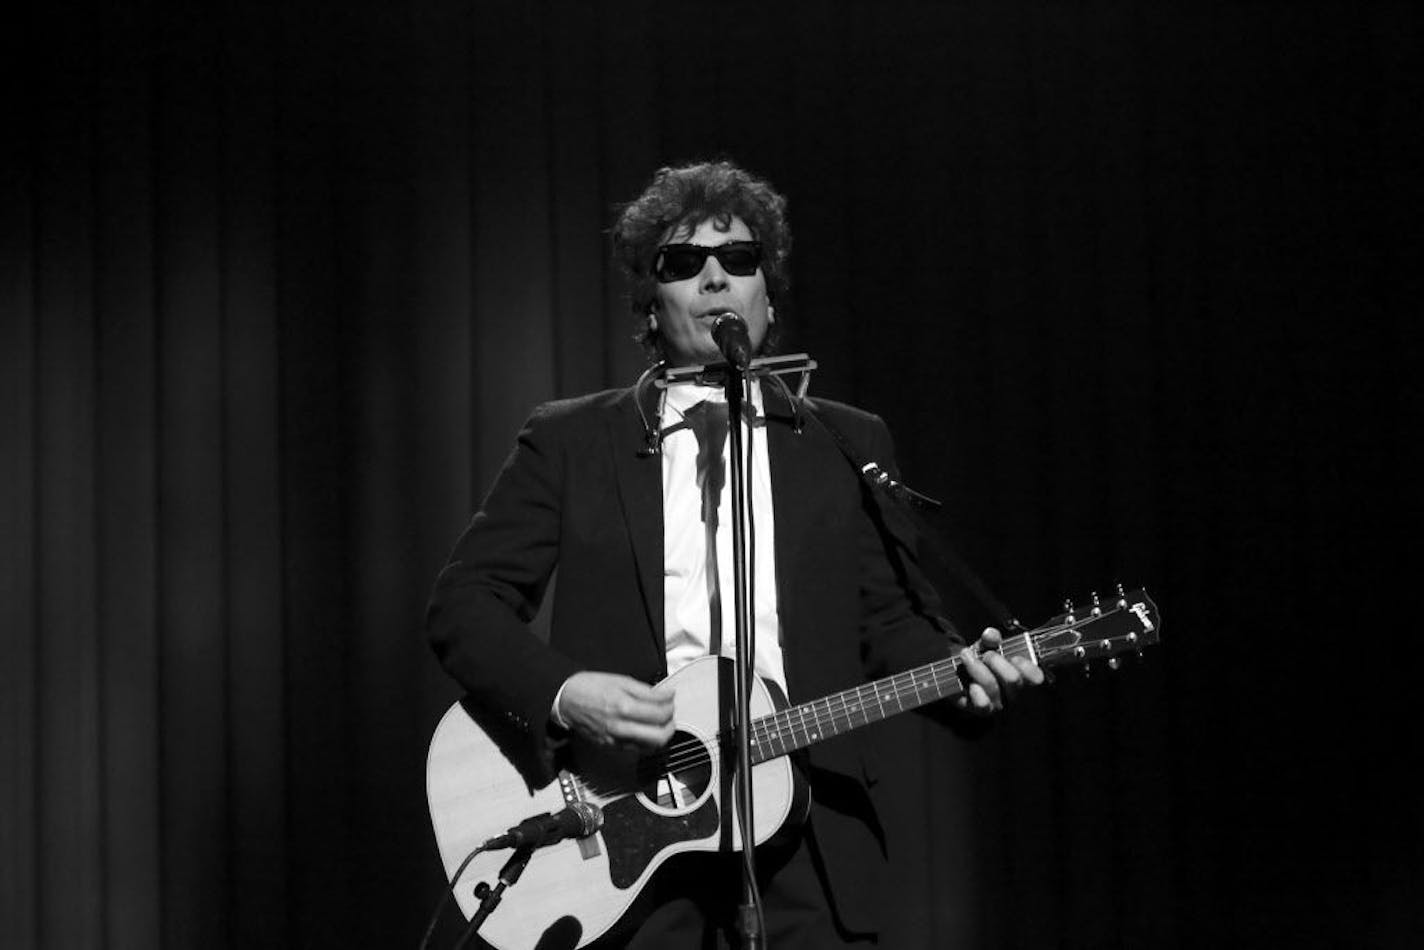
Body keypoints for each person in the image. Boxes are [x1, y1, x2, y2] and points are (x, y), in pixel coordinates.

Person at [426, 160, 1043, 948]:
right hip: (627, 833)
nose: (716, 277)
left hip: (811, 838)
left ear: (768, 294)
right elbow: (463, 605)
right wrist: (566, 690)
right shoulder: (572, 440)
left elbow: (891, 621)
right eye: (685, 264)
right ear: (651, 304)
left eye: (740, 260)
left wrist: (965, 678)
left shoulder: (845, 442)